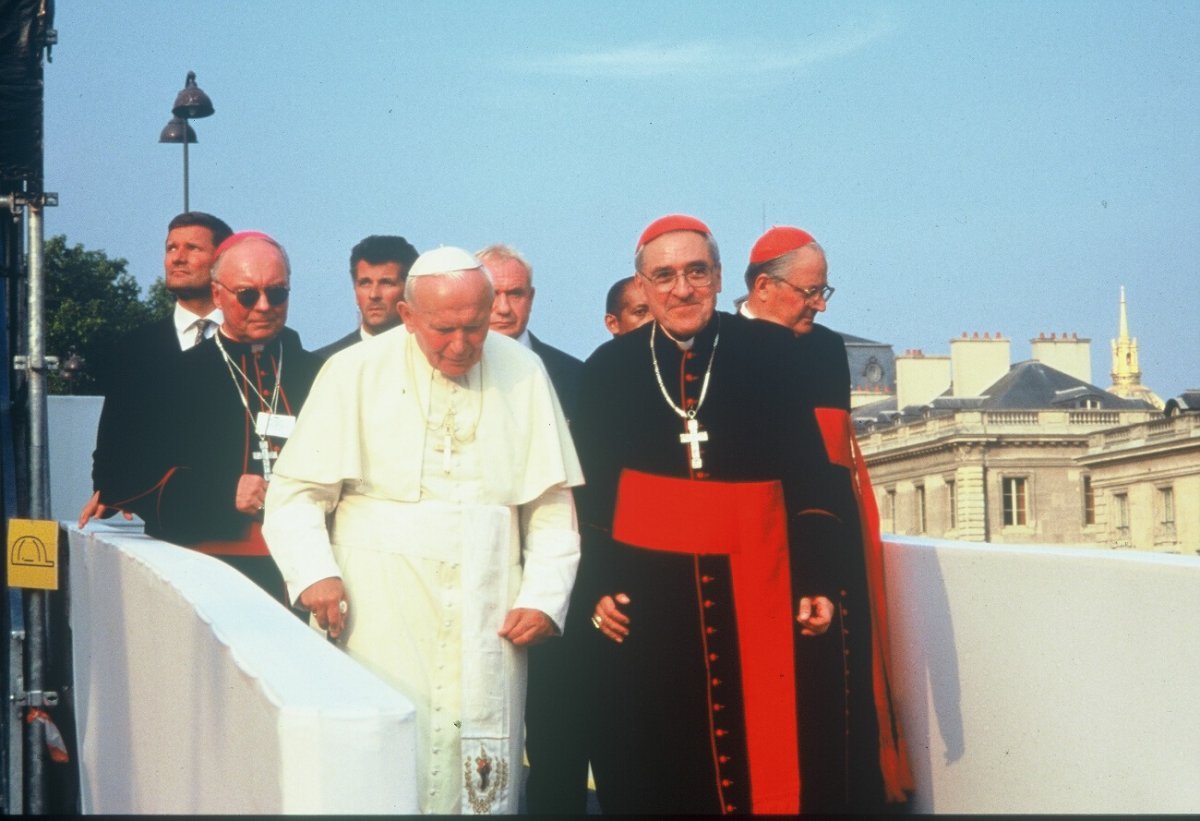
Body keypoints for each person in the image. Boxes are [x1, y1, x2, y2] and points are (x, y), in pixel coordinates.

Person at [571, 214, 888, 814]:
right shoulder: (608, 370)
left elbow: (810, 474)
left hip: (762, 585)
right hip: (651, 599)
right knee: (661, 757)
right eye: (663, 277)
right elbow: (590, 494)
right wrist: (599, 585)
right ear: (641, 285)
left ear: (718, 277)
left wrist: (817, 577)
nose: (681, 289)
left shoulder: (772, 352)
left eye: (696, 272)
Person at [262, 246, 583, 815]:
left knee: (476, 774)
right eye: (443, 330)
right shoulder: (351, 371)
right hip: (376, 605)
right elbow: (294, 496)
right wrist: (316, 574)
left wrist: (543, 598)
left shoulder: (523, 369)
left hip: (489, 604)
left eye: (475, 328)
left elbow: (552, 507)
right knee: (381, 765)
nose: (461, 345)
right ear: (408, 316)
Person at [741, 225, 914, 808]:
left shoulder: (825, 346)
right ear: (763, 287)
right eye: (807, 291)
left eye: (823, 292)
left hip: (829, 537)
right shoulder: (722, 344)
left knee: (836, 688)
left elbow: (835, 461)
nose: (818, 303)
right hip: (759, 536)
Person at [84, 231, 324, 604]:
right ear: (218, 295)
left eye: (276, 293)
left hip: (305, 571)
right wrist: (223, 491)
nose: (263, 305)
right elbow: (116, 477)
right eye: (248, 295)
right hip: (205, 568)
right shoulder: (170, 376)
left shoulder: (319, 373)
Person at [80, 211, 233, 526]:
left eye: (192, 248)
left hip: (236, 525)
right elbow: (112, 440)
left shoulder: (250, 343)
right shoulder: (135, 346)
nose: (177, 258)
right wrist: (110, 488)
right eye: (171, 248)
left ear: (223, 262)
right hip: (161, 527)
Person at [477, 243, 582, 420]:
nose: (503, 308)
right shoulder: (447, 370)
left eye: (515, 294)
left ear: (531, 298)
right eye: (492, 294)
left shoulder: (575, 376)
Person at [314, 234, 419, 358]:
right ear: (355, 289)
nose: (374, 294)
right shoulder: (324, 362)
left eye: (386, 283)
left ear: (410, 290)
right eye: (365, 283)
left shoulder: (431, 358)